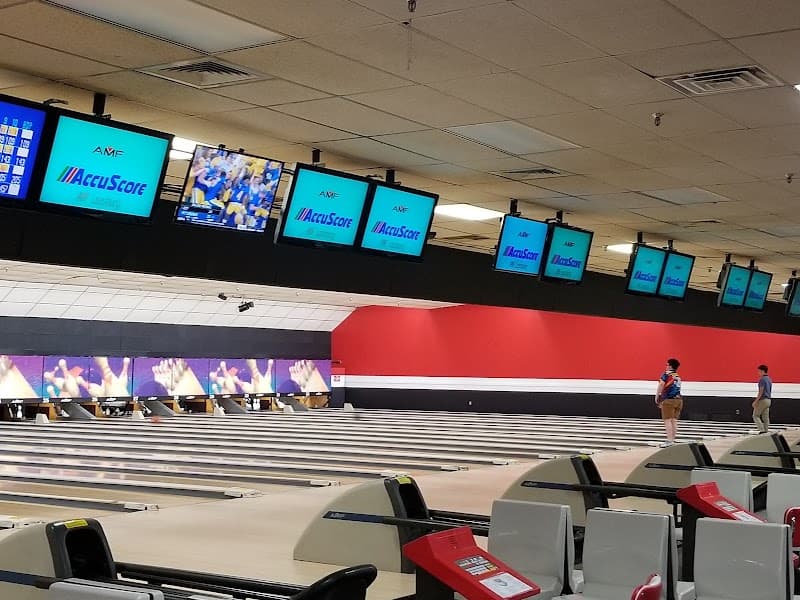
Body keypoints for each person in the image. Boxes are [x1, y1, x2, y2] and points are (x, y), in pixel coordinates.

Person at [655, 358, 682, 446]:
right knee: (674, 420)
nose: (666, 366)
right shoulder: (677, 376)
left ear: (670, 366)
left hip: (669, 400)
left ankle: (669, 441)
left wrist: (657, 395)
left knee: (667, 420)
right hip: (679, 400)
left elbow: (662, 384)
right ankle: (672, 440)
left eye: (667, 365)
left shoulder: (666, 374)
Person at [753, 364, 772, 434]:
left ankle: (762, 430)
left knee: (755, 415)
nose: (758, 373)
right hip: (769, 400)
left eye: (759, 371)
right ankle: (766, 431)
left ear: (762, 371)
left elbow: (761, 391)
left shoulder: (762, 379)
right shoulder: (769, 379)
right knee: (765, 417)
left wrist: (756, 401)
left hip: (763, 400)